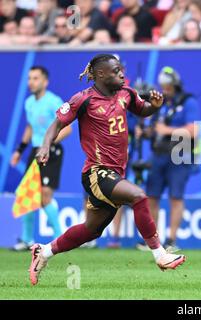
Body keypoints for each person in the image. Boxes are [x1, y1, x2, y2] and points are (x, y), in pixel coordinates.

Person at [29, 54, 186, 286]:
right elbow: (58, 124)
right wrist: (45, 145)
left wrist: (154, 106)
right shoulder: (83, 99)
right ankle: (160, 254)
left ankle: (44, 252)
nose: (121, 74)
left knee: (91, 230)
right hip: (96, 171)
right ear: (101, 74)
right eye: (115, 71)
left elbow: (142, 110)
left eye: (121, 70)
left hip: (115, 173)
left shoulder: (127, 93)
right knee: (138, 196)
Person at [136, 66, 200, 252]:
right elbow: (156, 129)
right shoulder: (161, 104)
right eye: (163, 86)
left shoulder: (188, 102)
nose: (165, 90)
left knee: (176, 197)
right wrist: (146, 132)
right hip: (158, 155)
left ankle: (171, 240)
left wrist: (167, 131)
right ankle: (152, 240)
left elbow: (194, 131)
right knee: (151, 197)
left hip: (180, 156)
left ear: (175, 85)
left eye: (168, 86)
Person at [10, 66, 72, 251]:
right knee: (28, 193)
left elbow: (67, 129)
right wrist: (19, 150)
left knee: (45, 196)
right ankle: (27, 239)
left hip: (52, 151)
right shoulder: (29, 102)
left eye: (35, 78)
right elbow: (29, 128)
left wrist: (48, 144)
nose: (31, 82)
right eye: (29, 78)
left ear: (45, 82)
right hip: (35, 151)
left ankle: (60, 239)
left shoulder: (54, 102)